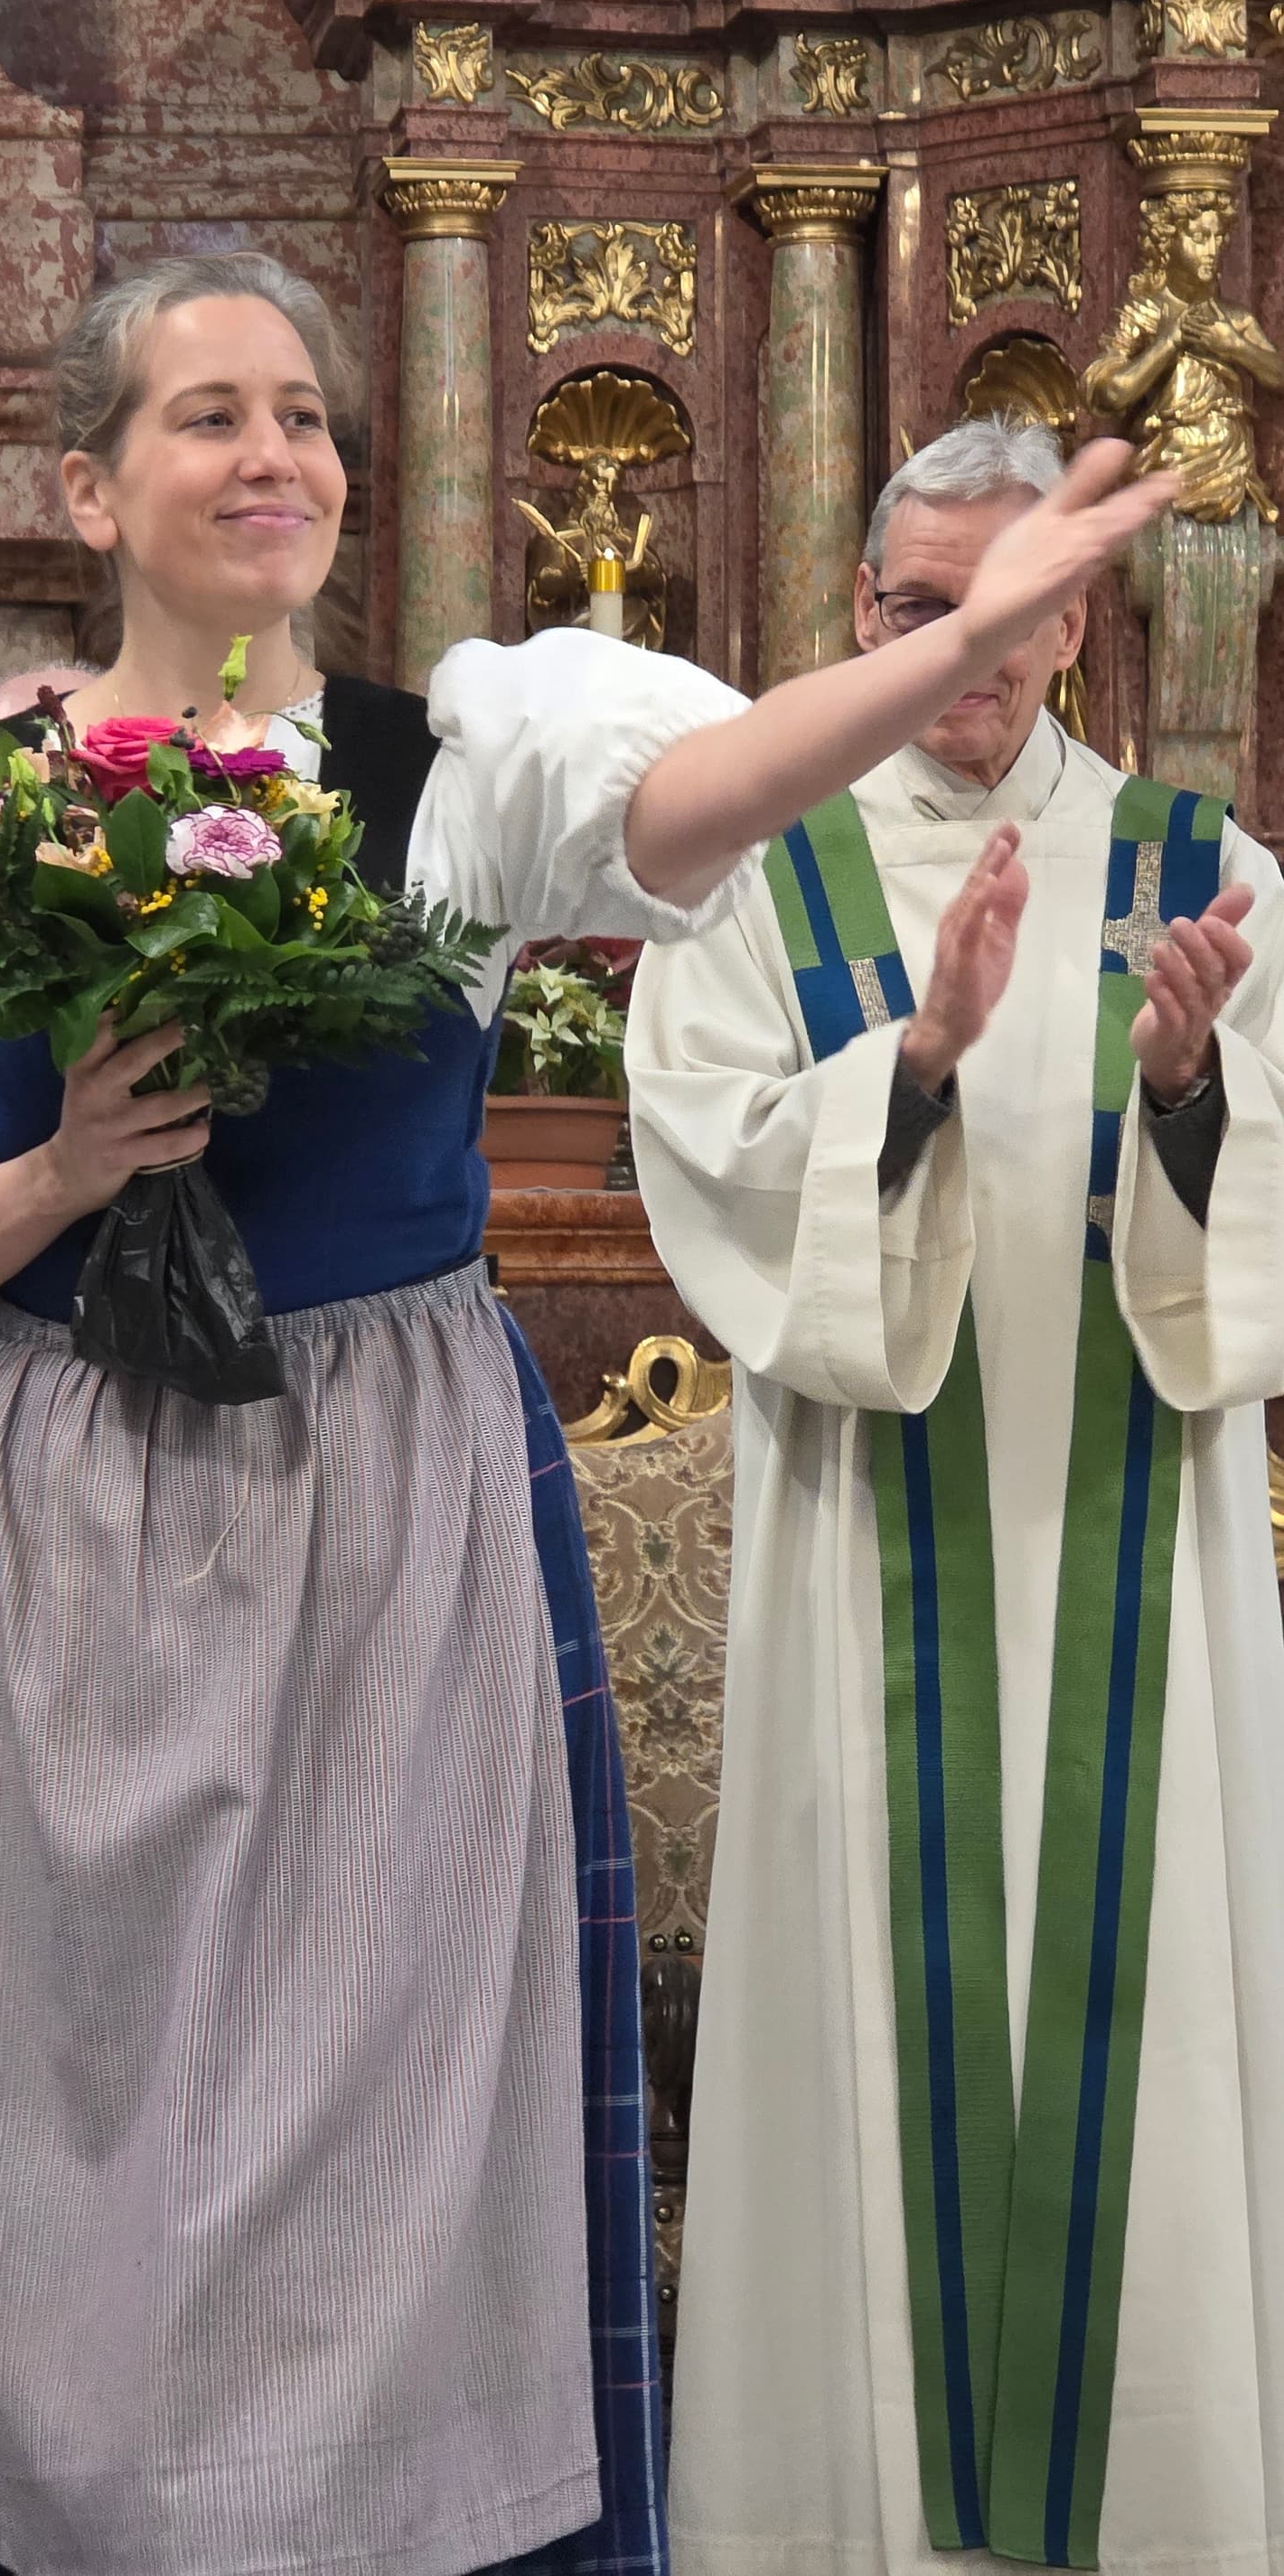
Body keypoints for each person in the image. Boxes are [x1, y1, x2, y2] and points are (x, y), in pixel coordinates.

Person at [0, 273, 1165, 2576]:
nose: (274, 453)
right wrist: (63, 1171)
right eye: (210, 418)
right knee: (69, 2181)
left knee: (404, 2159)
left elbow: (726, 781)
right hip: (60, 1542)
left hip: (389, 1536)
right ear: (93, 485)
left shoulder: (457, 773)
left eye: (306, 414)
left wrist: (967, 623)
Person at [627, 415, 1284, 2576]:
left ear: (1074, 619)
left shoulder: (1206, 869)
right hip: (868, 1582)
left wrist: (1184, 1085)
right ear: (862, 612)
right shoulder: (764, 874)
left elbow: (1257, 1234)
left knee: (1150, 2042)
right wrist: (907, 1071)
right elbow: (711, 1166)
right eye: (923, 614)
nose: (964, 657)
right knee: (873, 2058)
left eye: (1005, 620)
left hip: (1131, 1585)